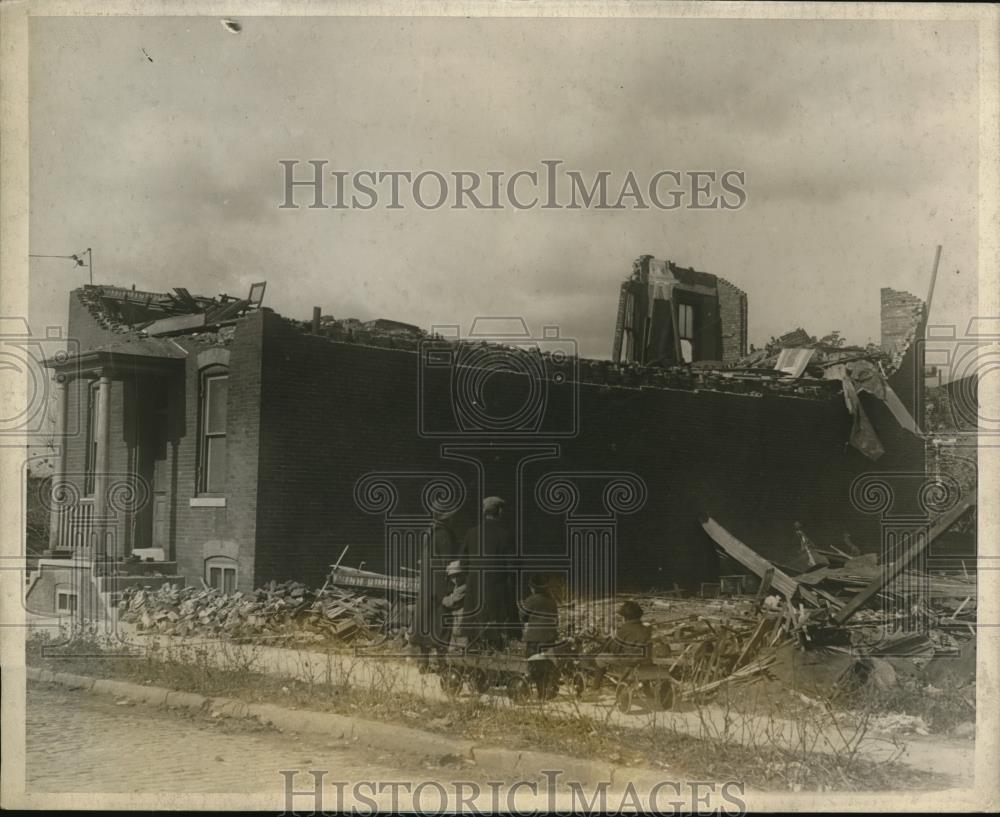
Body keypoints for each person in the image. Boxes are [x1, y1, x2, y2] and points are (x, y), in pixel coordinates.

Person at [461, 496, 518, 650]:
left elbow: (463, 564)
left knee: (474, 640)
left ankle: (472, 671)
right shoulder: (505, 535)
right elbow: (512, 568)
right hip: (496, 594)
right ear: (499, 511)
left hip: (474, 594)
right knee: (495, 640)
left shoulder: (471, 533)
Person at [410, 508, 461, 671]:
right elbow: (448, 562)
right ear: (447, 518)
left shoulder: (428, 533)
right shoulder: (444, 535)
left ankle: (423, 663)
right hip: (439, 586)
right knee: (441, 623)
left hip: (426, 586)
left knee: (425, 621)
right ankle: (441, 663)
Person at [591, 600, 652, 690]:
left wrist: (612, 641)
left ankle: (595, 688)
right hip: (645, 660)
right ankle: (646, 687)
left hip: (629, 660)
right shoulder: (646, 629)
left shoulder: (624, 630)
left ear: (625, 618)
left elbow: (615, 649)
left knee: (600, 658)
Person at [521, 575, 560, 698]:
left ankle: (540, 692)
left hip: (535, 638)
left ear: (533, 588)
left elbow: (522, 617)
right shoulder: (552, 601)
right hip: (550, 637)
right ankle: (549, 689)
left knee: (534, 664)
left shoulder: (531, 600)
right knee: (547, 664)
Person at [441, 559, 469, 653]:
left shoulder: (463, 587)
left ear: (462, 575)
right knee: (454, 634)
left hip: (461, 615)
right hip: (456, 616)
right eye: (452, 577)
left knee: (460, 634)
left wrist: (442, 599)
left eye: (457, 576)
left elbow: (451, 601)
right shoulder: (457, 587)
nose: (455, 579)